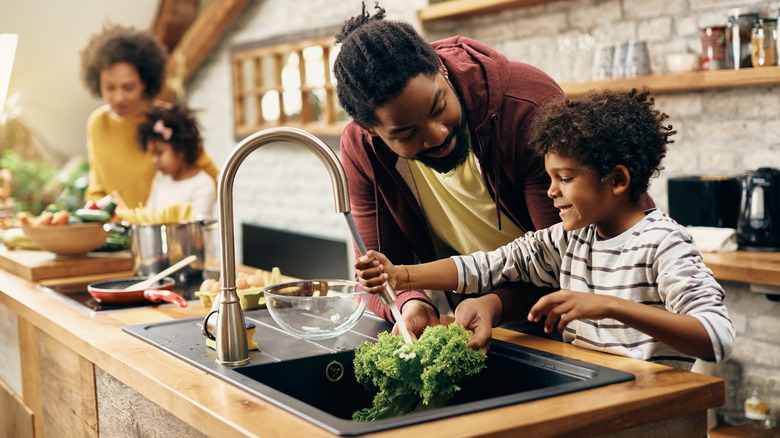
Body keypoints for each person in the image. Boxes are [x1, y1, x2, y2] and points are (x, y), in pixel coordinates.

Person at [355, 89, 735, 369]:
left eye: (565, 178)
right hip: (590, 395)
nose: (551, 191)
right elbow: (486, 266)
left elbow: (716, 337)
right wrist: (400, 275)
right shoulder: (569, 240)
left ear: (617, 180)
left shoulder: (663, 243)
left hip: (652, 410)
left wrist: (610, 306)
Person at [334, 3, 576, 349]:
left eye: (438, 108)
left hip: (592, 317)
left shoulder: (526, 109)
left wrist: (495, 303)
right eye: (405, 134)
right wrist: (409, 303)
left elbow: (572, 259)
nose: (436, 136)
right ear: (372, 132)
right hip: (484, 321)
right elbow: (379, 273)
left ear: (442, 69)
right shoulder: (363, 151)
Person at [79, 23, 219, 208]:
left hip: (165, 232)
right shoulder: (98, 124)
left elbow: (213, 179)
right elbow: (97, 190)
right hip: (117, 233)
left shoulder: (167, 121)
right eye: (110, 87)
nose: (118, 98)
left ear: (145, 82)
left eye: (128, 87)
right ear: (97, 82)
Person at [137, 103, 216, 218]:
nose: (154, 160)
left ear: (181, 150)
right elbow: (149, 215)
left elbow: (196, 230)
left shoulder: (203, 186)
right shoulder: (160, 178)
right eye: (152, 154)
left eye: (160, 153)